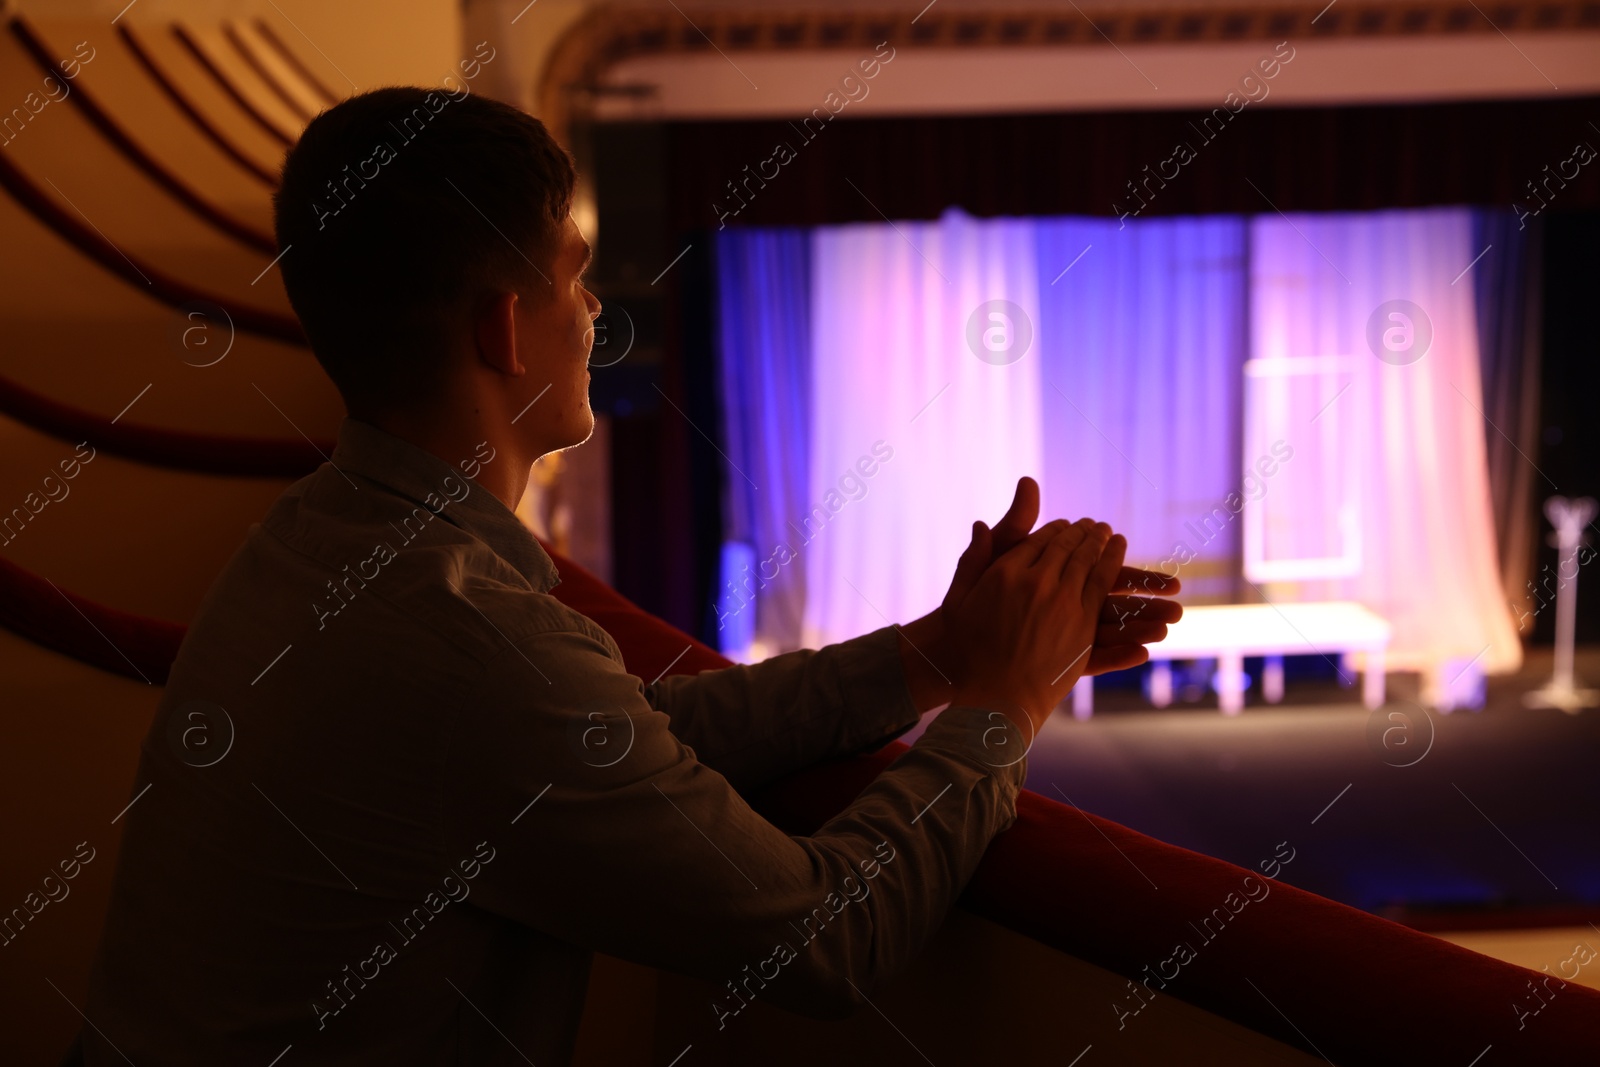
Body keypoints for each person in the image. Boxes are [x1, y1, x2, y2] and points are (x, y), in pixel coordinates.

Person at [80, 87, 1181, 1065]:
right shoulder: (463, 631)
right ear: (507, 329)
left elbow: (632, 730)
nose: (596, 308)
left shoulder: (323, 536)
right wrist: (1005, 703)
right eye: (575, 275)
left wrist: (941, 651)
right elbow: (824, 939)